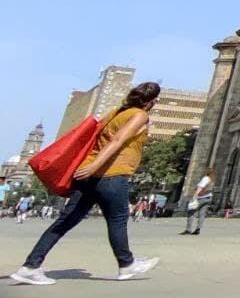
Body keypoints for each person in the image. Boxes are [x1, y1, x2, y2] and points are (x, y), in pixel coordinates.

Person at [10, 82, 162, 285]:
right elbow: (117, 141)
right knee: (117, 219)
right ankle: (127, 265)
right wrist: (95, 166)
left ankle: (30, 266)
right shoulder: (140, 115)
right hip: (110, 174)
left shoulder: (117, 112)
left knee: (65, 221)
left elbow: (97, 135)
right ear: (152, 100)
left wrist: (89, 167)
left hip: (86, 174)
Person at [181, 169, 215, 235]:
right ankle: (198, 229)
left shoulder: (206, 178)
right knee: (202, 213)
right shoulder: (212, 180)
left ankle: (188, 229)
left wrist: (195, 195)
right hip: (208, 197)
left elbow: (200, 187)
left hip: (201, 197)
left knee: (191, 212)